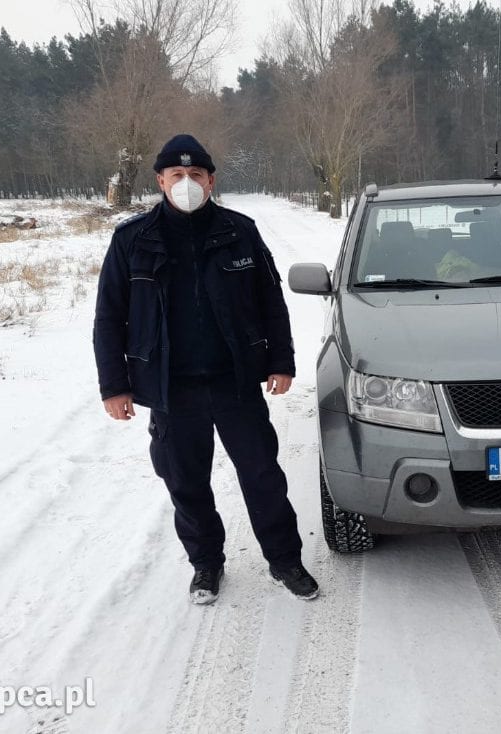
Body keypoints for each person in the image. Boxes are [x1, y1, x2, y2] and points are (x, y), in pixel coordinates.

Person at [93, 134, 318, 605]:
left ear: (211, 180)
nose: (187, 183)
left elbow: (270, 302)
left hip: (234, 381)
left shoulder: (241, 231)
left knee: (262, 476)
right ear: (160, 180)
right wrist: (114, 386)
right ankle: (206, 565)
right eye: (177, 175)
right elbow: (110, 316)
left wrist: (281, 360)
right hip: (172, 388)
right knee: (185, 482)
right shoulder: (133, 240)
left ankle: (285, 561)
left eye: (196, 175)